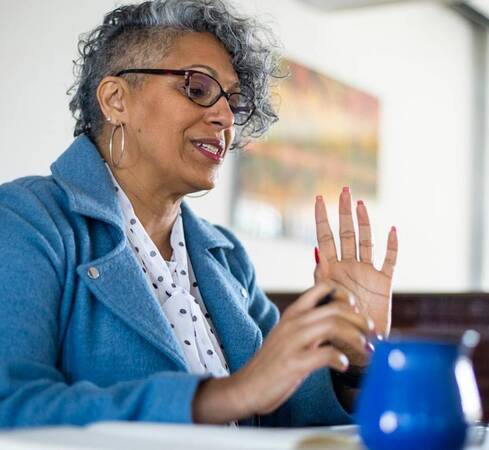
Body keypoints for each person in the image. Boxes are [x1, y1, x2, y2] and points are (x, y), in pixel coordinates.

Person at [0, 0, 397, 428]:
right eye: (198, 88)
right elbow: (15, 405)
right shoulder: (29, 220)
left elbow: (285, 410)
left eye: (234, 103)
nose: (226, 117)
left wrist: (355, 354)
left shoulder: (226, 256)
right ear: (116, 99)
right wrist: (226, 395)